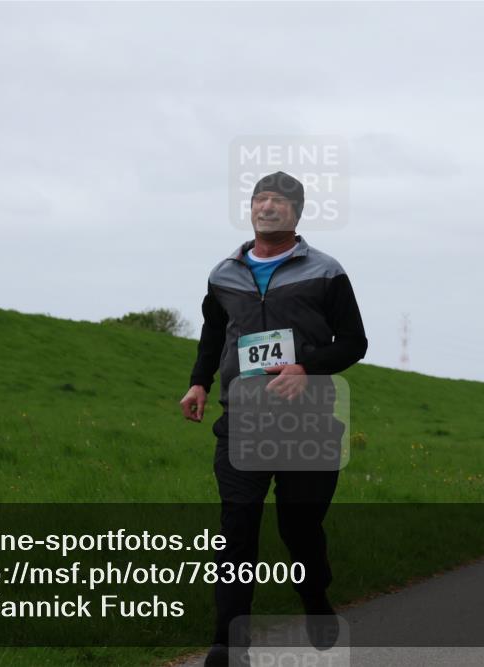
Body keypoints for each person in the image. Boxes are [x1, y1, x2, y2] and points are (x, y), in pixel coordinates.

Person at [180, 171, 368, 666]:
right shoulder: (224, 274)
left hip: (309, 422)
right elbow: (213, 334)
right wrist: (199, 382)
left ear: (296, 213)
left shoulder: (326, 271)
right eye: (260, 199)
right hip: (242, 420)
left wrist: (307, 367)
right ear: (250, 209)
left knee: (299, 528)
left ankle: (315, 598)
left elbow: (354, 342)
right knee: (236, 529)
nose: (267, 207)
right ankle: (228, 643)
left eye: (279, 201)